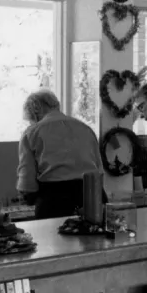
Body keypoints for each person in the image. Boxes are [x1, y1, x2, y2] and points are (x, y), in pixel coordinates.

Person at [15, 89, 102, 219]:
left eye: (30, 119)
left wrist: (27, 198)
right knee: (97, 237)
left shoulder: (32, 132)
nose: (31, 122)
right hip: (92, 194)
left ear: (35, 112)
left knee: (51, 238)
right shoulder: (85, 128)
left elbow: (27, 179)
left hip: (55, 199)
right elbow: (99, 167)